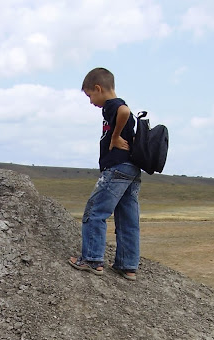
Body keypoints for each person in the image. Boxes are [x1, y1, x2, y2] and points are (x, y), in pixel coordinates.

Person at [69, 67, 141, 281]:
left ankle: (91, 259)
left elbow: (124, 111)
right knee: (128, 218)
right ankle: (127, 265)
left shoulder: (113, 105)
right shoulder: (114, 106)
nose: (91, 102)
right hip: (131, 170)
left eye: (90, 95)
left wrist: (115, 137)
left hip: (117, 168)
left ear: (99, 88)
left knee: (95, 210)